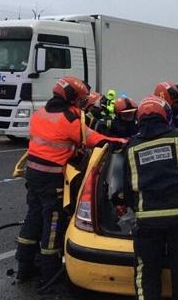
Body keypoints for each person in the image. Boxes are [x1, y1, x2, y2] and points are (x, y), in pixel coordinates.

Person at [15, 76, 126, 292]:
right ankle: (50, 276)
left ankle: (24, 266)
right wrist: (120, 142)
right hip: (51, 179)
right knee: (53, 224)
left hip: (34, 175)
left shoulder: (40, 114)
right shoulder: (68, 119)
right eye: (80, 100)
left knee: (33, 218)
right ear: (73, 98)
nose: (81, 104)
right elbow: (94, 139)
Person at [123, 95, 178, 300]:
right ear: (166, 116)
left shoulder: (131, 147)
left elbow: (126, 189)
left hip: (147, 221)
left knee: (146, 274)